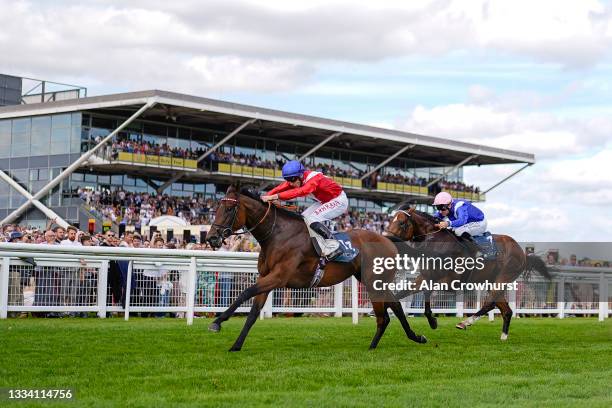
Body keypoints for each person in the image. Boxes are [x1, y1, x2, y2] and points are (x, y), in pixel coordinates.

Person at [260, 160, 347, 260]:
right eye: (288, 180)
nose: (290, 183)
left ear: (301, 176)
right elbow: (279, 188)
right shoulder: (297, 178)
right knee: (304, 218)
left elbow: (300, 192)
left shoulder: (314, 179)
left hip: (339, 200)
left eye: (292, 180)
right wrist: (265, 196)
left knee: (313, 218)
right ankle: (315, 245)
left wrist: (274, 197)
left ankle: (335, 246)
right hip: (325, 200)